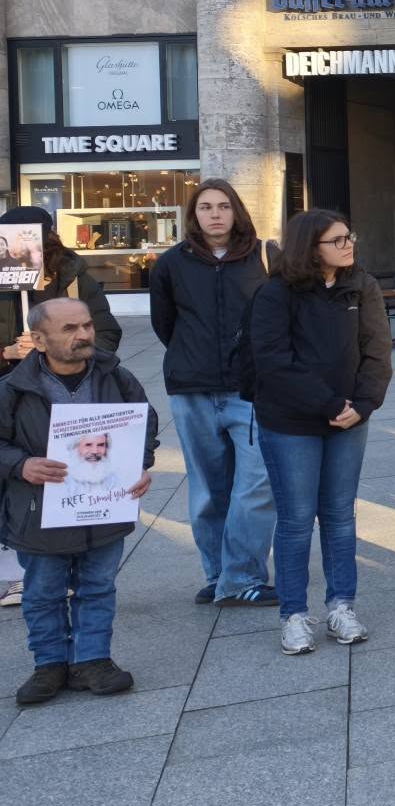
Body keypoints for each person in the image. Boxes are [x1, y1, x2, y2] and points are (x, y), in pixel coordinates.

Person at [0, 299, 157, 705]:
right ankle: (49, 665)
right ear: (39, 340)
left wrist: (140, 464)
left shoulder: (115, 376)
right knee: (43, 592)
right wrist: (21, 464)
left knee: (98, 587)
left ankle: (92, 660)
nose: (84, 334)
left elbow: (145, 423)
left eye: (86, 325)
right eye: (70, 328)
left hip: (105, 507)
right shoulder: (13, 388)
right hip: (39, 512)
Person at [249, 210, 391, 656]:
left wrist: (363, 405)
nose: (348, 245)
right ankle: (293, 614)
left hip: (349, 418)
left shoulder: (361, 285)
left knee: (339, 514)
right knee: (295, 519)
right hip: (291, 421)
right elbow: (274, 361)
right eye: (337, 240)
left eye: (350, 237)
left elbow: (377, 351)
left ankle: (341, 605)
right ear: (310, 247)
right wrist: (329, 404)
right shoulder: (275, 293)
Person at [148, 179, 282, 607]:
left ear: (236, 211)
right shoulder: (171, 263)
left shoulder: (265, 256)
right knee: (208, 490)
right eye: (206, 207)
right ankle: (220, 575)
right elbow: (164, 323)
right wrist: (193, 356)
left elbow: (282, 313)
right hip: (193, 390)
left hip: (250, 390)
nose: (215, 214)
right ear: (194, 215)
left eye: (223, 206)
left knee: (256, 485)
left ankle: (243, 577)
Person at [0, 207, 120, 376]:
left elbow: (106, 336)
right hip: (9, 382)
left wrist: (58, 352)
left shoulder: (75, 282)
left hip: (66, 383)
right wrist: (6, 353)